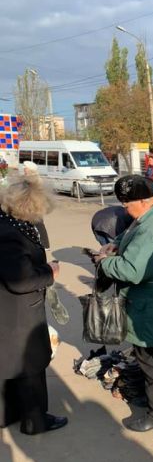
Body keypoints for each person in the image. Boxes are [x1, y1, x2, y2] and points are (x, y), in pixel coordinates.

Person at [96, 175, 153, 432]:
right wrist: (116, 243)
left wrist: (104, 262)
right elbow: (132, 230)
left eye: (127, 204)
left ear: (145, 200)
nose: (125, 209)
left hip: (151, 303)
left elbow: (133, 270)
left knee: (152, 361)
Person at [0, 174, 67, 434]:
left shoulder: (8, 224)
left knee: (8, 364)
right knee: (31, 365)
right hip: (18, 312)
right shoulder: (9, 234)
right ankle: (35, 421)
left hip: (9, 310)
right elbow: (19, 281)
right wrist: (50, 273)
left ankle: (9, 414)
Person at [22, 161, 50, 249]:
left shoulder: (35, 179)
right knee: (27, 223)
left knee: (38, 224)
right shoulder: (27, 178)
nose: (24, 169)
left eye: (25, 168)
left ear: (30, 169)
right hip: (28, 204)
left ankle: (45, 245)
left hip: (35, 204)